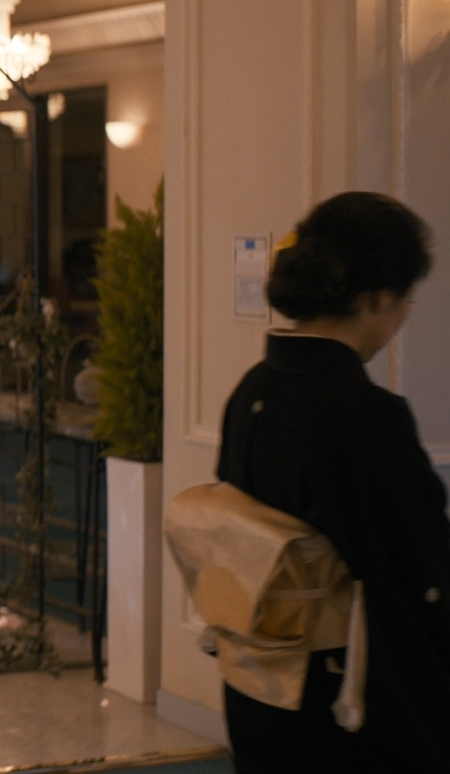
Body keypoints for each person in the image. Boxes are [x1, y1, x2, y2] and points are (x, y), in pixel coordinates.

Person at [216, 191, 447, 770]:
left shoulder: (254, 389)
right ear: (378, 298)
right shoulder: (364, 414)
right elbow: (420, 570)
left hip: (258, 684)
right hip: (342, 701)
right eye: (405, 299)